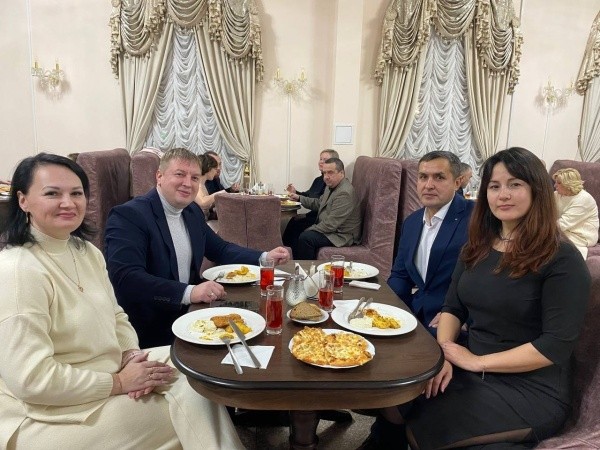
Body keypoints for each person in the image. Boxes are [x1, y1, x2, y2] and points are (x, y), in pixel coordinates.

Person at [0, 153, 243, 449]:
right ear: (23, 200)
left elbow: (116, 315)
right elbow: (32, 380)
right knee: (194, 408)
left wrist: (130, 354)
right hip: (51, 411)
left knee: (199, 373)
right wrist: (118, 383)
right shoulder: (17, 270)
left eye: (76, 193)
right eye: (52, 193)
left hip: (111, 367)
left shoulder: (85, 252)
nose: (68, 203)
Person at [363, 147, 591, 450]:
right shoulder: (478, 245)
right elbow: (452, 307)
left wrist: (476, 361)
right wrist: (445, 352)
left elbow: (555, 345)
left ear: (537, 190)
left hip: (530, 385)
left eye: (515, 184)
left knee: (425, 428)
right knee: (396, 398)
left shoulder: (562, 258)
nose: (503, 195)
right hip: (471, 363)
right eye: (494, 186)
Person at [105, 148, 289, 348]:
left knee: (262, 329)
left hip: (194, 318)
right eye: (179, 174)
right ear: (159, 176)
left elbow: (220, 249)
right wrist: (189, 292)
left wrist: (264, 256)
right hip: (151, 330)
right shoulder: (129, 215)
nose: (187, 183)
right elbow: (126, 278)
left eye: (194, 178)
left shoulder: (191, 211)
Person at [388, 151, 475, 336]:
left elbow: (487, 281)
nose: (428, 185)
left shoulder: (475, 219)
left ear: (457, 182)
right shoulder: (412, 222)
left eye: (439, 177)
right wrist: (390, 308)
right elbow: (400, 275)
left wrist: (462, 317)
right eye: (423, 177)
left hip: (454, 323)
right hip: (416, 312)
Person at [284, 157, 361, 259]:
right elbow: (319, 203)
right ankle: (289, 260)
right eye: (324, 173)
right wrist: (299, 198)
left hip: (341, 235)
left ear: (342, 173)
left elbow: (331, 224)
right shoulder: (331, 186)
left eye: (330, 172)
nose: (326, 177)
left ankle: (306, 267)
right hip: (331, 229)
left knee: (306, 237)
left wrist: (309, 229)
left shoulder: (345, 193)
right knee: (295, 225)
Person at [552, 168, 599, 259]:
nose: (555, 185)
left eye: (559, 183)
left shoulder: (584, 199)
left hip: (581, 235)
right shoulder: (556, 194)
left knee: (550, 240)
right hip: (564, 230)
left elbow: (563, 224)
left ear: (568, 184)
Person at [194, 153, 225, 219]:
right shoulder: (196, 184)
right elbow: (203, 203)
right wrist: (222, 193)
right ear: (209, 168)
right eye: (215, 169)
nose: (216, 172)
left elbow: (208, 205)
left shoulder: (202, 185)